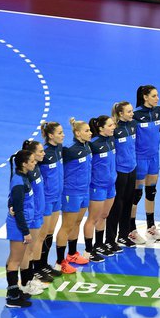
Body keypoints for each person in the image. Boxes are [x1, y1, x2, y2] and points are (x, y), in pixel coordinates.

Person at [54, 118, 92, 274]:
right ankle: (59, 262)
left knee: (76, 223)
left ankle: (72, 254)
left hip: (84, 191)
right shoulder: (69, 150)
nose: (90, 133)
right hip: (71, 193)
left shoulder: (87, 147)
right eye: (87, 131)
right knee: (66, 227)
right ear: (77, 133)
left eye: (90, 130)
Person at [131, 85, 160, 243]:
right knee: (136, 195)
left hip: (154, 158)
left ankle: (151, 226)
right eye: (154, 96)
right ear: (145, 97)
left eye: (157, 95)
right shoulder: (136, 114)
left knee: (151, 192)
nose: (157, 98)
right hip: (140, 159)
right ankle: (131, 230)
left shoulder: (159, 110)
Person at [5, 149, 36, 308]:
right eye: (32, 161)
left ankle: (15, 291)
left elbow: (12, 201)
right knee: (15, 260)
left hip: (21, 223)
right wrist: (25, 232)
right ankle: (12, 297)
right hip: (19, 226)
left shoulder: (23, 177)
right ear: (24, 164)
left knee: (14, 259)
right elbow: (17, 210)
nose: (34, 163)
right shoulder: (19, 182)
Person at [85, 115, 118, 262]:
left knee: (104, 216)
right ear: (101, 128)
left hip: (110, 185)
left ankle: (99, 244)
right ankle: (88, 250)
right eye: (110, 125)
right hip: (97, 187)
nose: (113, 128)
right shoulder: (93, 145)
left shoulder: (111, 140)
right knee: (93, 218)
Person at [21, 140, 53, 287]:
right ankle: (26, 282)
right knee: (27, 250)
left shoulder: (37, 168)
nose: (44, 153)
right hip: (32, 216)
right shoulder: (26, 174)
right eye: (40, 151)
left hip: (39, 212)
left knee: (32, 248)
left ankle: (31, 276)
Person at [109, 101, 138, 248]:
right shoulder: (114, 129)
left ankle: (123, 235)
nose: (132, 114)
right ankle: (111, 239)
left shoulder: (133, 125)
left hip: (132, 168)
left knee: (128, 202)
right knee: (117, 205)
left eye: (132, 111)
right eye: (129, 112)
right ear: (120, 114)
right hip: (120, 171)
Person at [38, 121, 64, 277]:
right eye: (60, 133)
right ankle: (36, 268)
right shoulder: (44, 153)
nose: (63, 135)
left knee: (49, 233)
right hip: (46, 199)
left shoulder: (59, 149)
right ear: (50, 135)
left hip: (57, 197)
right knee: (41, 235)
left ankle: (44, 264)